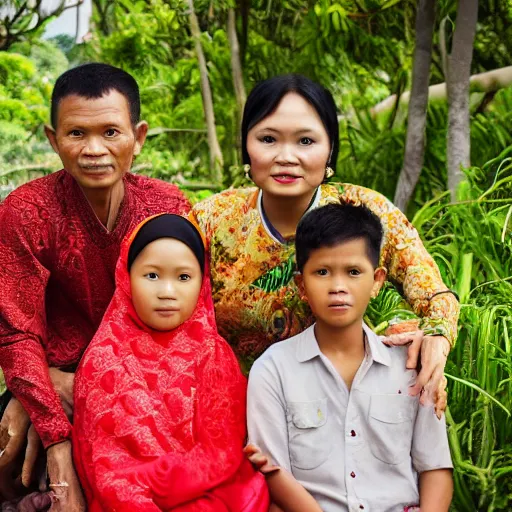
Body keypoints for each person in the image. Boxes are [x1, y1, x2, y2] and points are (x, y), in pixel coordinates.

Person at [191, 73, 457, 400]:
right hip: (226, 409)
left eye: (305, 141)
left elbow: (434, 293)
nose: (286, 157)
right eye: (268, 139)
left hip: (337, 405)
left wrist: (436, 337)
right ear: (246, 146)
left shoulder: (366, 211)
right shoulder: (211, 220)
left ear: (330, 148)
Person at [0, 63, 190, 507]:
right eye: (76, 134)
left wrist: (90, 387)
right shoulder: (25, 211)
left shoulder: (167, 208)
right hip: (49, 380)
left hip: (144, 383)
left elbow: (185, 317)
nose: (94, 150)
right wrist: (55, 435)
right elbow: (16, 331)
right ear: (53, 139)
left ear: (138, 137)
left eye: (110, 132)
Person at [246, 203, 453, 512]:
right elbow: (274, 473)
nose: (338, 287)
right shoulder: (273, 370)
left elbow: (435, 466)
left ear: (377, 281)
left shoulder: (409, 367)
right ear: (302, 285)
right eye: (322, 272)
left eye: (354, 272)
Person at [73, 214, 270, 511]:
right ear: (126, 277)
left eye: (183, 277)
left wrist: (156, 481)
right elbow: (104, 469)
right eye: (152, 275)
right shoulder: (103, 359)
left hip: (212, 493)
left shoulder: (213, 353)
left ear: (202, 282)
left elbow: (221, 452)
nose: (167, 292)